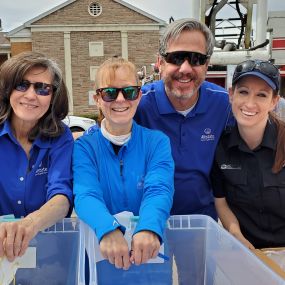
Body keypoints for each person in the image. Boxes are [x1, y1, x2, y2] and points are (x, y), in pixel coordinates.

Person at [134, 18, 230, 285]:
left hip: (200, 223)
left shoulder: (221, 104)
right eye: (176, 57)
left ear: (207, 65)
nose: (186, 69)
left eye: (196, 59)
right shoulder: (139, 105)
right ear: (160, 62)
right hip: (149, 222)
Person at [73, 57, 174, 276]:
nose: (120, 100)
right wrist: (107, 228)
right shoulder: (84, 147)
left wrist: (148, 227)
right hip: (103, 254)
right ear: (97, 99)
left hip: (149, 254)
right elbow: (85, 193)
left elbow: (159, 188)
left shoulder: (157, 142)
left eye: (129, 92)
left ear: (138, 96)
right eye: (110, 93)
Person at [0, 51, 73, 262]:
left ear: (53, 97)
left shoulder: (61, 137)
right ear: (8, 90)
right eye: (22, 85)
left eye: (42, 88)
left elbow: (61, 197)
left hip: (50, 255)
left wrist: (27, 225)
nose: (31, 95)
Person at [211, 59, 285, 249]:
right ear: (231, 95)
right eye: (243, 92)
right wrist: (236, 234)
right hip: (246, 253)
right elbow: (221, 202)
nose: (250, 103)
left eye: (262, 95)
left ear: (274, 101)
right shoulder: (220, 148)